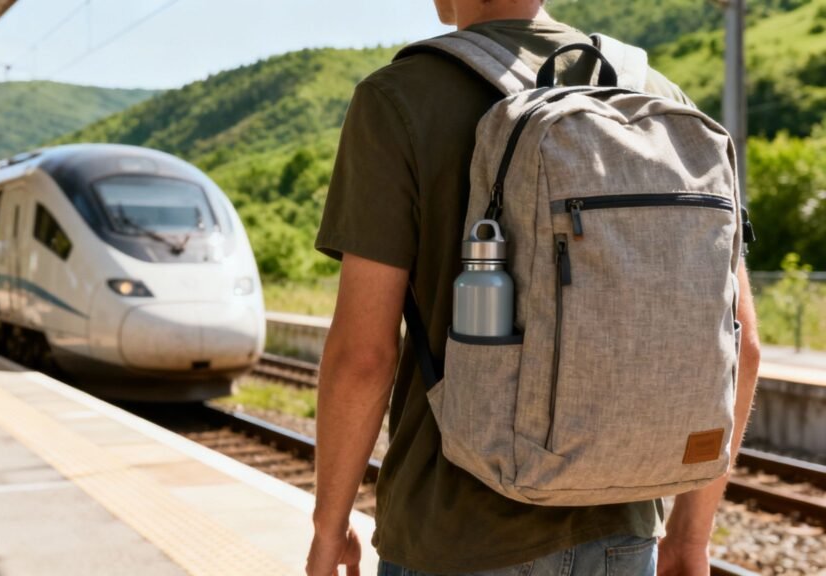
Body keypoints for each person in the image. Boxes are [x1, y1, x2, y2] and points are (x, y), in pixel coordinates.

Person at [305, 1, 762, 575]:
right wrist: (690, 538)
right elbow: (739, 346)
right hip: (621, 534)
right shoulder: (658, 96)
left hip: (453, 537)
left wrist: (330, 526)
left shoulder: (398, 98)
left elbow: (363, 357)